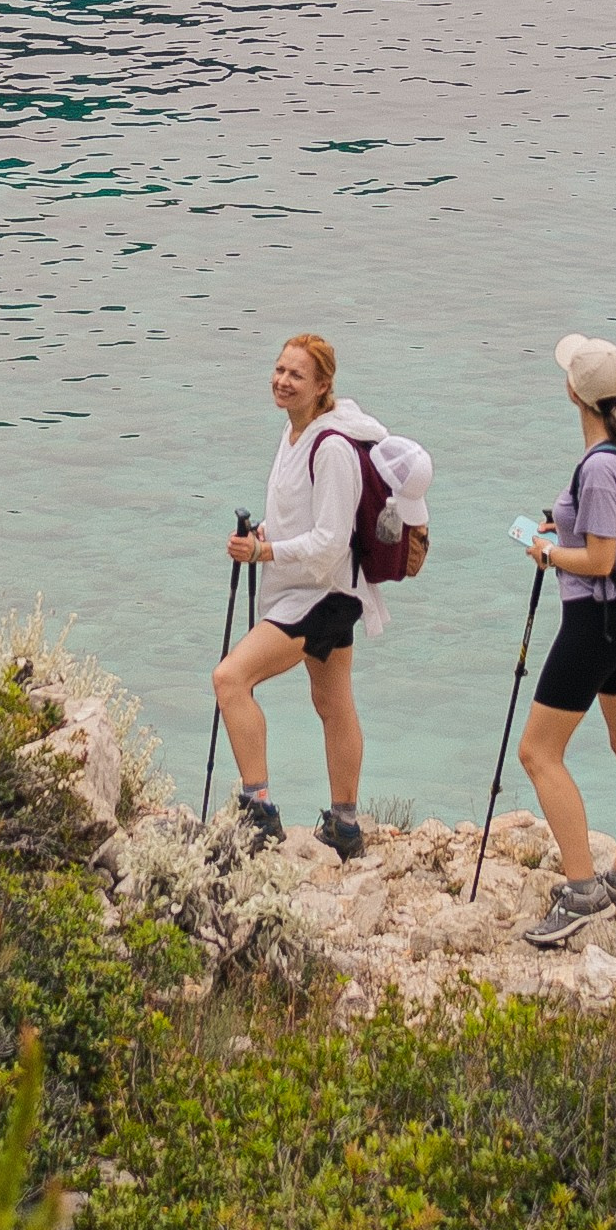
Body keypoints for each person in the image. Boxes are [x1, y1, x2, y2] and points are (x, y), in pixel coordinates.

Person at [516, 330, 616, 948]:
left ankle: (581, 893)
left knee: (537, 753)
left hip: (594, 625)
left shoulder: (599, 466)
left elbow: (600, 561)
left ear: (573, 391)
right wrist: (565, 529)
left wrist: (549, 550)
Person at [213, 330, 369, 856]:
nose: (282, 380)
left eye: (296, 374)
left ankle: (259, 811)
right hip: (318, 590)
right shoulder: (294, 432)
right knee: (332, 701)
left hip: (320, 594)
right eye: (280, 369)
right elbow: (299, 520)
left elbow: (329, 544)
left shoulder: (333, 449)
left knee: (231, 678)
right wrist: (265, 537)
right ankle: (345, 825)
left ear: (323, 384)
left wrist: (264, 553)